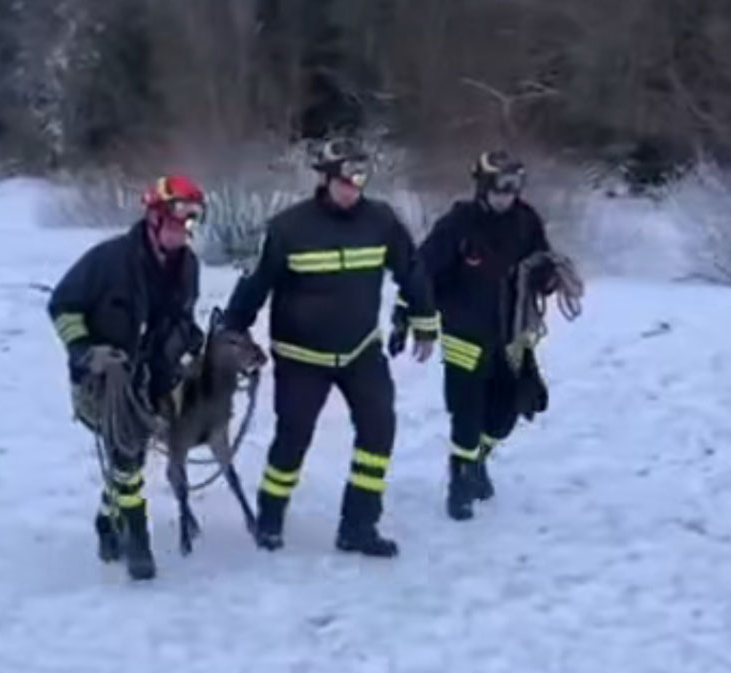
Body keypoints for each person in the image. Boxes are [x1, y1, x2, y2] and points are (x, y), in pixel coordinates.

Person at [221, 138, 440, 558]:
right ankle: (270, 515)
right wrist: (233, 334)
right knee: (293, 438)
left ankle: (359, 525)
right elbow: (253, 286)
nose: (353, 189)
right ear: (325, 179)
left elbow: (411, 270)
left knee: (379, 430)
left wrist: (425, 321)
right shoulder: (287, 228)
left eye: (360, 180)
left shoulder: (381, 221)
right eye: (345, 180)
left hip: (361, 352)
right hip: (302, 358)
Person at [47, 175, 208, 581]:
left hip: (155, 378)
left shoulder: (188, 267)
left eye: (193, 221)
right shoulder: (108, 260)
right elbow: (62, 306)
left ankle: (106, 520)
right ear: (154, 217)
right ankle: (137, 538)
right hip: (104, 380)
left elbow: (183, 320)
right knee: (127, 456)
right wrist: (85, 351)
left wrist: (195, 345)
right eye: (177, 219)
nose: (185, 230)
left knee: (130, 460)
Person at [389, 150, 561, 521]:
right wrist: (404, 315)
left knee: (510, 409)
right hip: (464, 333)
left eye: (513, 188)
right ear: (483, 187)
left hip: (511, 335)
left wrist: (548, 278)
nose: (506, 196)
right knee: (466, 413)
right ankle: (461, 481)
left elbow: (542, 261)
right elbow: (422, 271)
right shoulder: (458, 224)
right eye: (500, 188)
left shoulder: (526, 221)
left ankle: (479, 458)